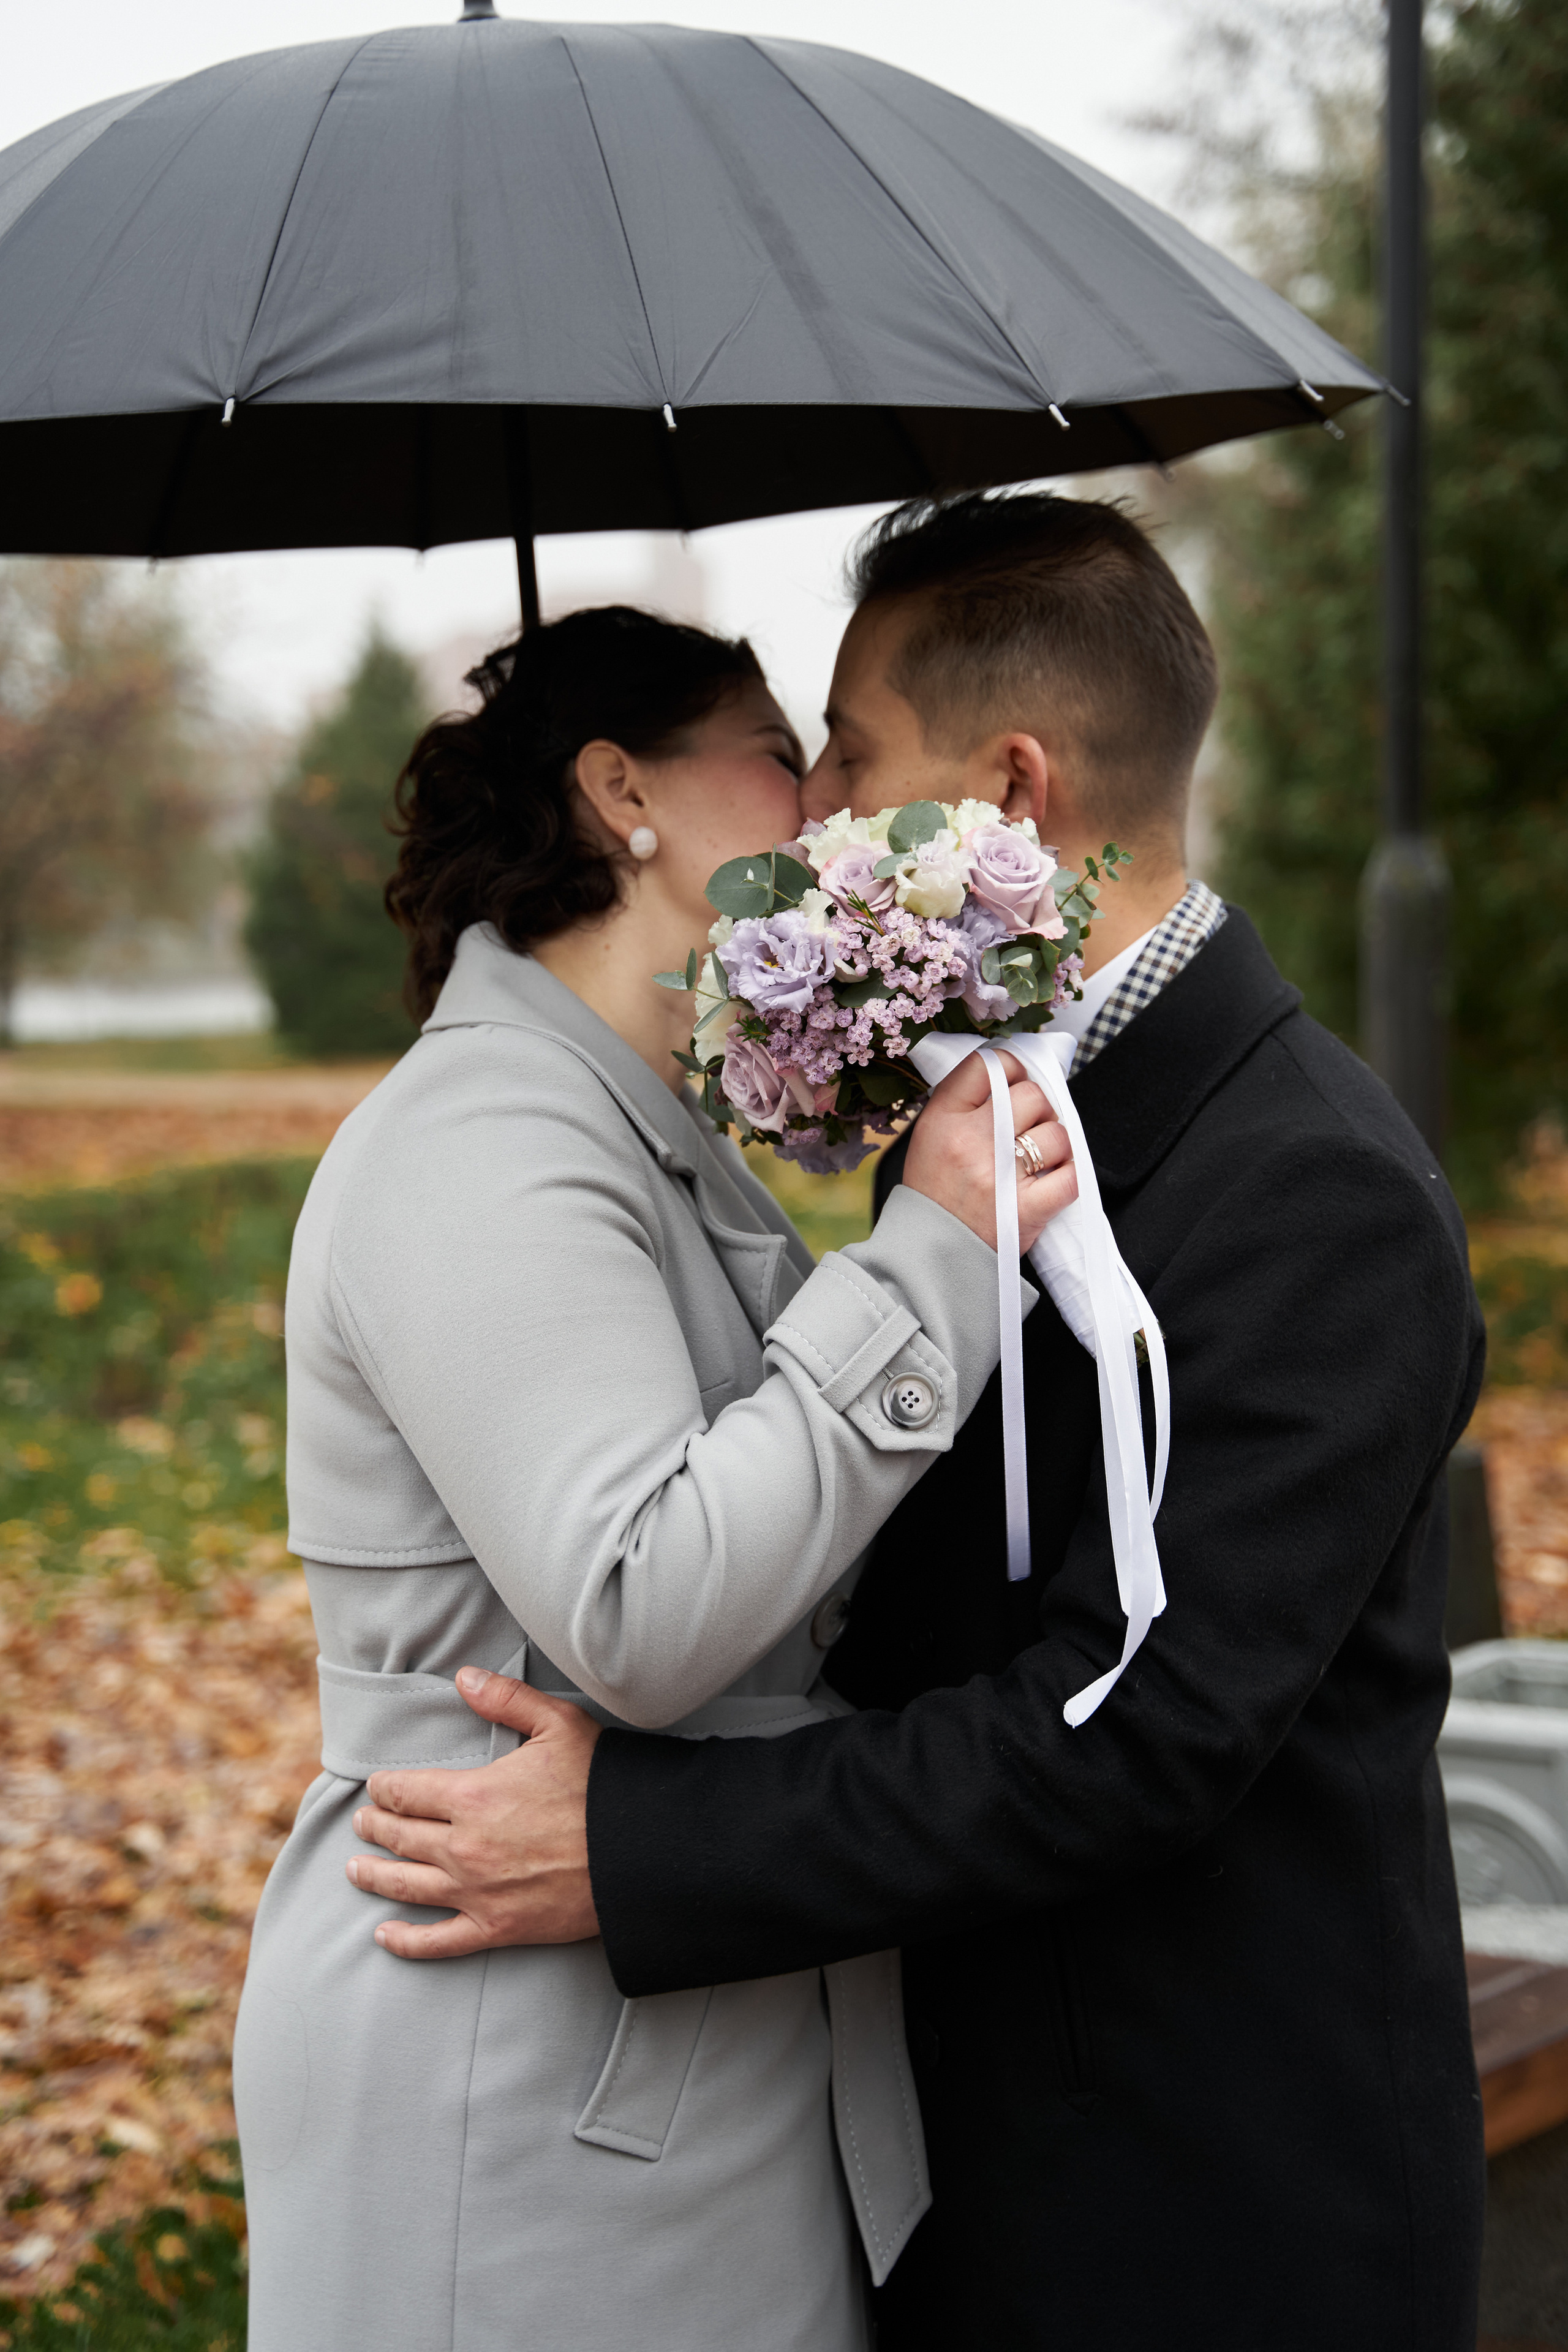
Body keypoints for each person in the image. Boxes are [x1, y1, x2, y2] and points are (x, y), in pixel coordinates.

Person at [348, 496, 1488, 2351]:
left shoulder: (1313, 1186)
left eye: (851, 761)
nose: (813, 827)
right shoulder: (986, 1114)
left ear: (1012, 794)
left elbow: (1140, 1730)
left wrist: (642, 1842)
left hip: (1218, 2211)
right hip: (981, 2169)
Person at [231, 601, 1075, 2352]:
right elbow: (644, 1602)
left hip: (665, 2022)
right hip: (520, 2073)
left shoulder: (632, 1123)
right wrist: (934, 1251)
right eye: (786, 754)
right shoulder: (481, 1145)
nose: (834, 806)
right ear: (626, 792)